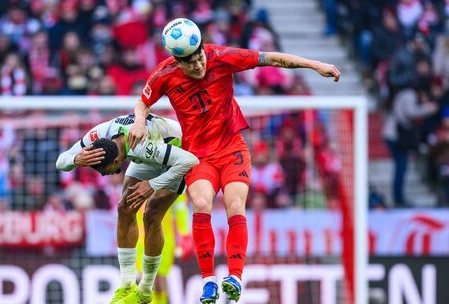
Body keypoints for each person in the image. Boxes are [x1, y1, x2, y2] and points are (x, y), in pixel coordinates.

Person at [128, 18, 340, 303]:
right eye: (189, 62)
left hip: (231, 148)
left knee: (235, 204)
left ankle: (235, 277)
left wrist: (315, 64)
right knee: (202, 203)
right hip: (198, 155)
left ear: (203, 47)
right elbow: (142, 102)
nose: (198, 64)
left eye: (199, 55)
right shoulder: (163, 75)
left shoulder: (221, 57)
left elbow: (272, 59)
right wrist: (139, 121)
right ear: (177, 61)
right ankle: (208, 282)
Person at [56, 114, 199, 304]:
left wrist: (153, 184)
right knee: (124, 207)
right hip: (148, 155)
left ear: (116, 161)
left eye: (104, 171)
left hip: (181, 153)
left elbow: (190, 161)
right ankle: (126, 285)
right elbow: (60, 162)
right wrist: (75, 159)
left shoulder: (145, 146)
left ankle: (145, 289)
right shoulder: (100, 134)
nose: (104, 176)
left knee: (151, 213)